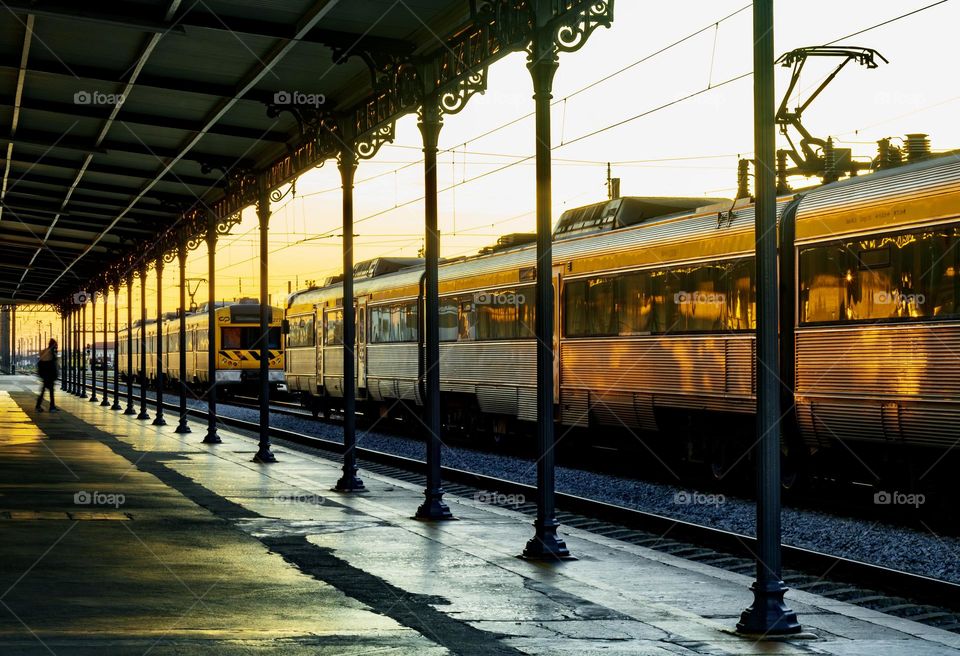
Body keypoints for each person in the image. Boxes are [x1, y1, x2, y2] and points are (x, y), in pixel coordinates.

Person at [36, 339, 59, 412]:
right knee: (49, 391)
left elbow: (41, 363)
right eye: (55, 345)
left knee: (45, 391)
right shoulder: (50, 353)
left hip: (46, 375)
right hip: (49, 376)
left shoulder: (45, 352)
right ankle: (51, 407)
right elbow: (52, 365)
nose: (56, 347)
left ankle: (49, 406)